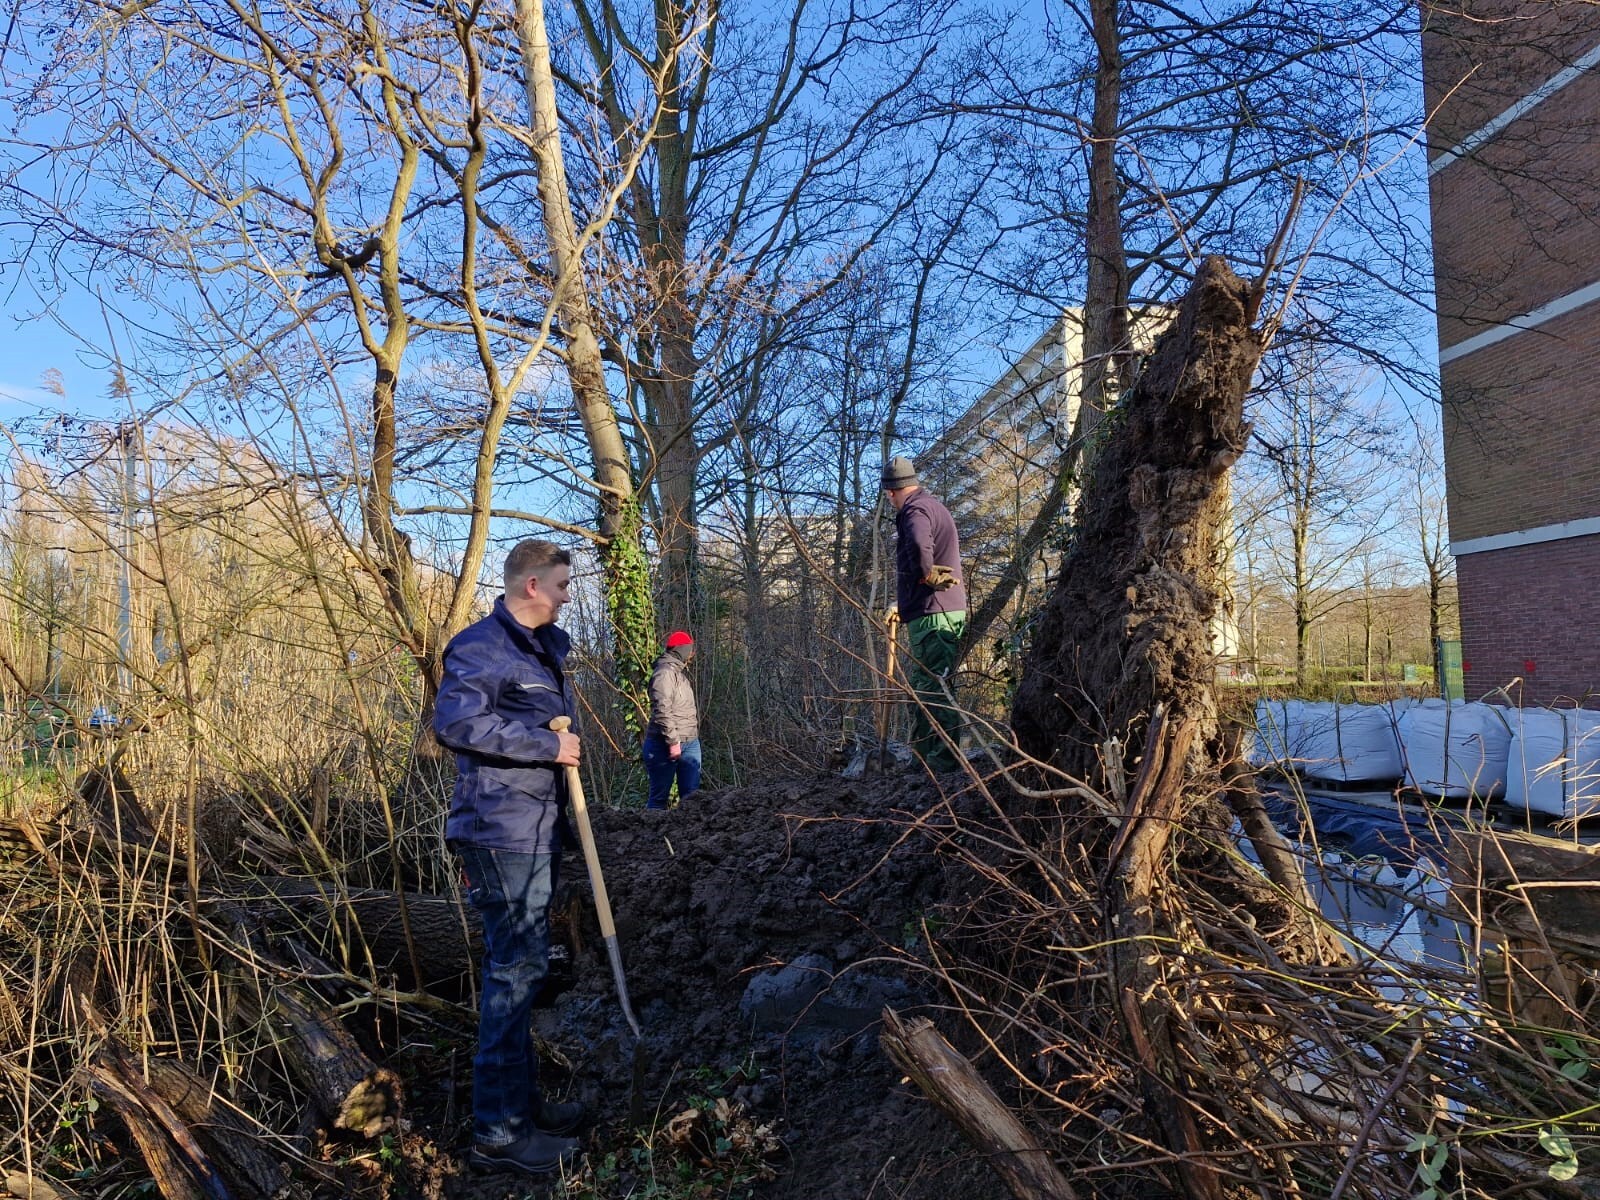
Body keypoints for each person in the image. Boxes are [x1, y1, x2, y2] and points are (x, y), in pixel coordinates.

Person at [434, 539, 586, 1177]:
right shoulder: (479, 647)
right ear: (530, 585)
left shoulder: (540, 650)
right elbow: (456, 725)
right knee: (512, 977)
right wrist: (543, 747)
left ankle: (523, 1110)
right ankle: (498, 1134)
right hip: (498, 831)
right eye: (560, 585)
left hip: (534, 827)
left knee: (524, 975)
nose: (566, 595)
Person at [882, 455, 967, 773]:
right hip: (932, 611)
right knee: (925, 684)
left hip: (936, 614)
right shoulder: (931, 505)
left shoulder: (915, 510)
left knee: (933, 686)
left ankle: (942, 763)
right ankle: (924, 761)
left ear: (891, 492)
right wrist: (902, 606)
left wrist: (927, 573)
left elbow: (919, 544)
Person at [642, 630, 701, 809]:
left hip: (690, 742)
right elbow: (662, 710)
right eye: (689, 650)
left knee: (691, 797)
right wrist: (673, 741)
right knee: (659, 798)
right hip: (664, 745)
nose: (691, 655)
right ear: (682, 650)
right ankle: (653, 836)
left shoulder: (678, 673)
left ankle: (689, 835)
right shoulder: (664, 674)